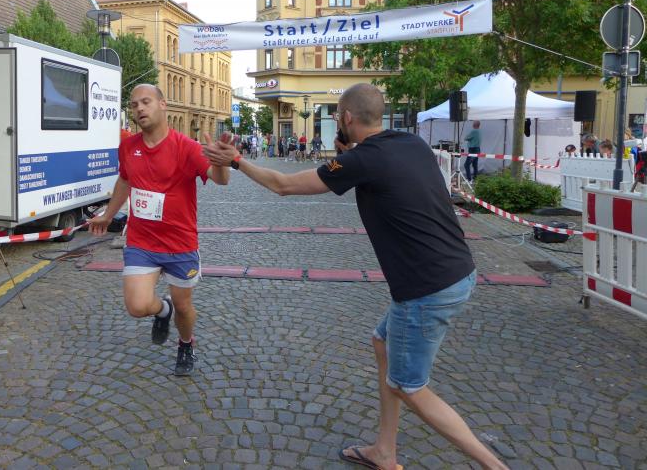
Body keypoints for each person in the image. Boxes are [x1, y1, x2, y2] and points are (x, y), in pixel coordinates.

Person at [202, 83, 508, 470]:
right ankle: (385, 451)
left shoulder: (363, 160)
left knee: (409, 387)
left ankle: (494, 466)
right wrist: (349, 156)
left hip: (426, 287)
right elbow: (384, 174)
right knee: (382, 342)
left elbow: (284, 185)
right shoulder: (411, 143)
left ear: (346, 118)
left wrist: (236, 161)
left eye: (337, 117)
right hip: (459, 270)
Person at [89, 84, 231, 376]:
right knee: (137, 306)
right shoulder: (128, 147)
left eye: (146, 102)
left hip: (180, 243)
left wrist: (221, 162)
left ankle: (185, 343)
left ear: (163, 104)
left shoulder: (186, 147)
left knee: (184, 307)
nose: (139, 108)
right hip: (142, 242)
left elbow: (220, 179)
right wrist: (108, 215)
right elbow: (125, 180)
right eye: (134, 105)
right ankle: (162, 310)